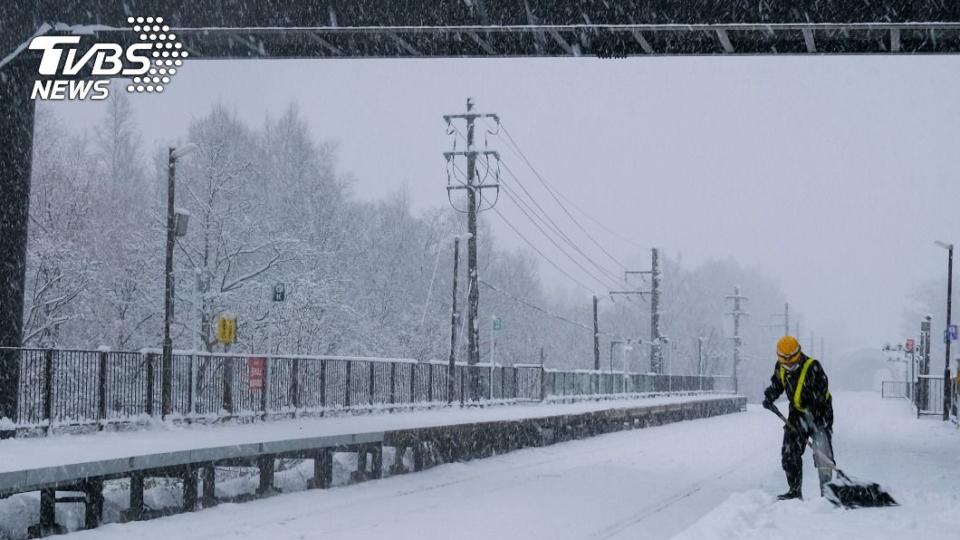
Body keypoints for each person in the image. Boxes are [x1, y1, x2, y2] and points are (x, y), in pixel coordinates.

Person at [762, 335, 834, 500]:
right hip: (797, 413)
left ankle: (828, 493)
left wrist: (811, 423)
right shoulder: (780, 368)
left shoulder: (813, 367)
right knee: (789, 453)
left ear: (798, 354)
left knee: (822, 453)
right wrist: (769, 397)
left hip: (820, 412)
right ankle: (794, 491)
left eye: (791, 361)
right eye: (785, 362)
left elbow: (821, 394)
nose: (788, 365)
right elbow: (777, 385)